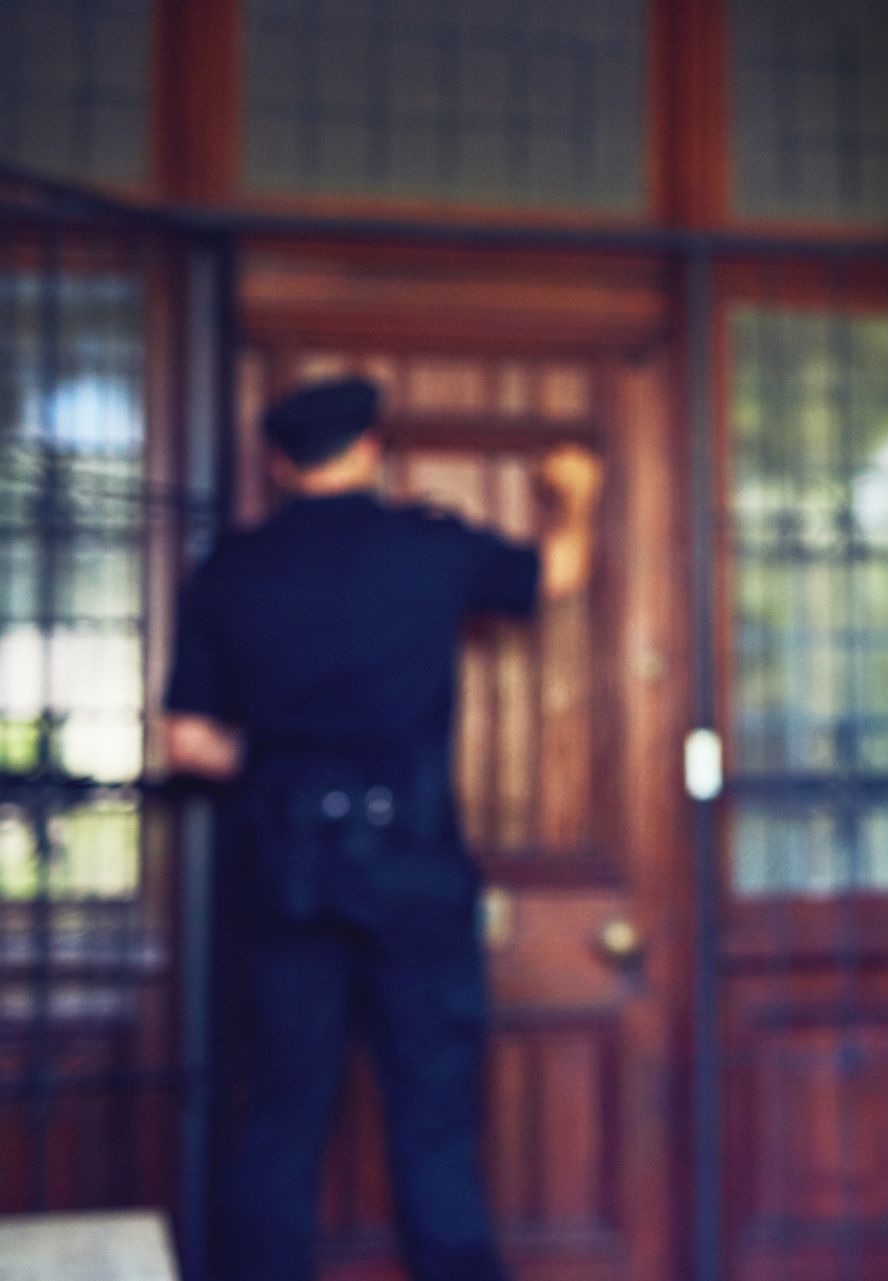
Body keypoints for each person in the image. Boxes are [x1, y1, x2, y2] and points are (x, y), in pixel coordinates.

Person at [163, 376, 603, 1281]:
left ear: (280, 464)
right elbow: (556, 573)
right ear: (370, 449)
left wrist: (282, 763)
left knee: (283, 1113)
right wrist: (577, 495)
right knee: (434, 1122)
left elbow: (189, 742)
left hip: (284, 868)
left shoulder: (229, 569)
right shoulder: (423, 547)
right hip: (412, 865)